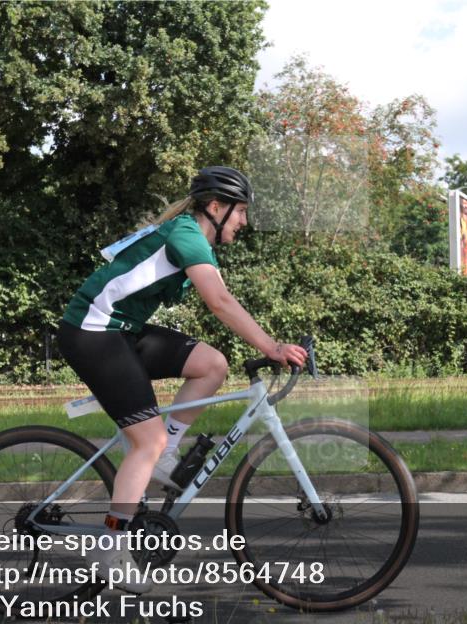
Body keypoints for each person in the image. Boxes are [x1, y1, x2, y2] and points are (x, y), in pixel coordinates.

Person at [57, 166, 309, 593]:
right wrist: (272, 347)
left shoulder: (189, 234)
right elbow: (220, 301)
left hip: (122, 331)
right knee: (146, 440)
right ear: (216, 207)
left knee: (211, 364)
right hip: (93, 333)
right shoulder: (187, 235)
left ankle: (167, 452)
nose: (244, 222)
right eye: (240, 212)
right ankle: (112, 550)